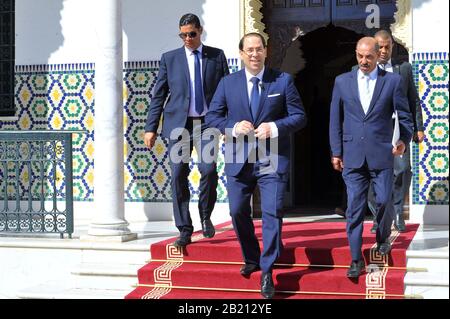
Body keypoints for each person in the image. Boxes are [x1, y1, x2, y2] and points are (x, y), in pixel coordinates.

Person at [206, 33, 307, 298]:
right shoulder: (228, 84)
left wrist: (274, 127)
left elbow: (299, 117)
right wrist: (232, 127)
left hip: (272, 159)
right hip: (238, 160)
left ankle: (266, 270)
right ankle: (251, 256)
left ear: (266, 51)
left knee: (272, 212)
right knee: (238, 211)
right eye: (249, 50)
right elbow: (212, 117)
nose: (254, 54)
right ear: (240, 53)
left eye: (258, 49)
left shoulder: (282, 81)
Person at [329, 37, 413, 278]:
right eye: (360, 56)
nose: (363, 61)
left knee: (385, 200)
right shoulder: (342, 82)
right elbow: (335, 118)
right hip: (352, 156)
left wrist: (403, 141)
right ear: (355, 54)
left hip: (382, 154)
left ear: (378, 56)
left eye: (369, 57)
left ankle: (382, 236)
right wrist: (336, 151)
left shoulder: (393, 81)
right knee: (354, 208)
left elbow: (404, 116)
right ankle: (356, 258)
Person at [143, 13, 229, 247]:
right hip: (178, 126)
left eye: (191, 34)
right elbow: (159, 95)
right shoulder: (169, 59)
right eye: (183, 35)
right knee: (178, 173)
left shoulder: (216, 56)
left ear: (200, 31)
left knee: (209, 170)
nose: (188, 38)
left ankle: (205, 215)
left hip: (207, 124)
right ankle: (184, 228)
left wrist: (227, 123)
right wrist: (150, 128)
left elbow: (226, 92)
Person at [368, 30, 425, 233]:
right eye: (380, 47)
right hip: (374, 130)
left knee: (402, 170)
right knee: (374, 172)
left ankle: (399, 212)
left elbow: (413, 99)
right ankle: (378, 216)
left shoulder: (404, 69)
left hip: (398, 128)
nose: (383, 51)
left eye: (387, 46)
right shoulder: (363, 70)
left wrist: (419, 128)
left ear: (392, 46)